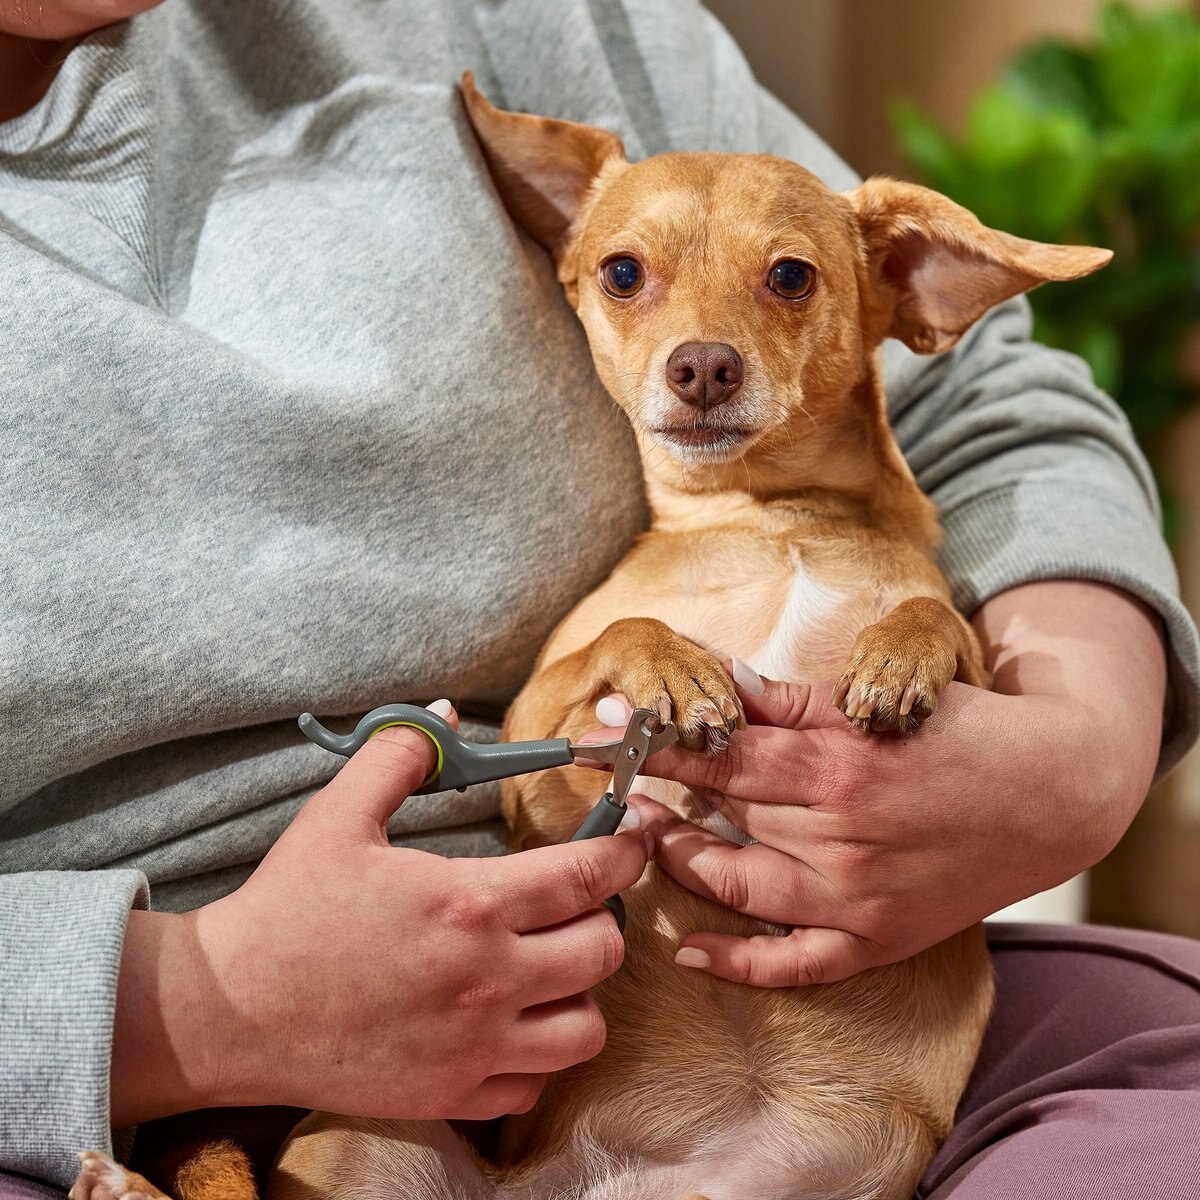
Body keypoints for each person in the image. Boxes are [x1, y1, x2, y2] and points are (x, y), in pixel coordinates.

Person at [1, 1, 1197, 1197]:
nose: (703, 349)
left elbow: (996, 416)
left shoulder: (514, 22)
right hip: (185, 1091)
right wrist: (196, 1006)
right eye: (629, 278)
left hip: (834, 1093)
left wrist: (1078, 752)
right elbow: (554, 734)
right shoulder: (628, 614)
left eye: (784, 282)